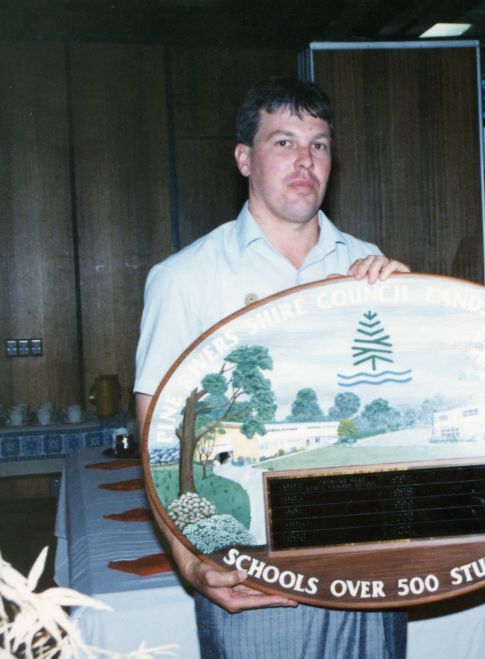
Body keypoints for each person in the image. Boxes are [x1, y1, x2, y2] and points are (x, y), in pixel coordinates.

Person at [134, 77, 409, 658]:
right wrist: (191, 562)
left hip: (368, 559)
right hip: (255, 574)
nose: (305, 160)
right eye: (283, 143)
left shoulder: (372, 270)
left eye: (319, 144)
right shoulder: (185, 279)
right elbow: (158, 433)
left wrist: (418, 312)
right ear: (244, 158)